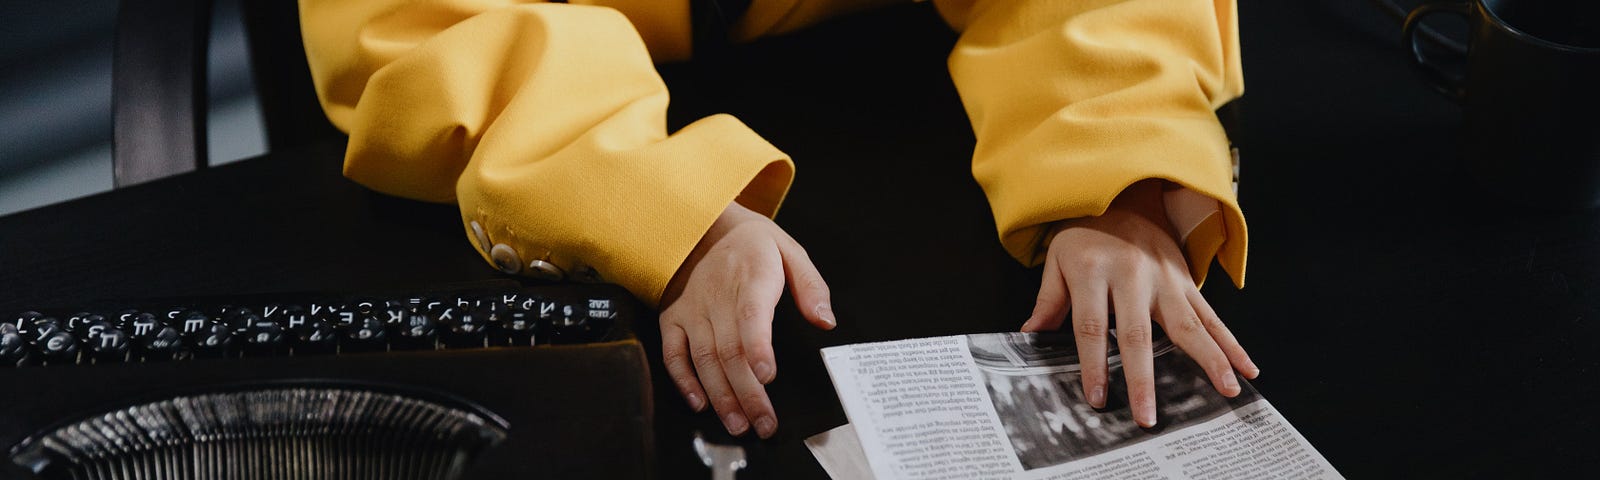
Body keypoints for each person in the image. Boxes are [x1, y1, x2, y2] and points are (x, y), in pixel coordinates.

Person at [300, 0, 1260, 440]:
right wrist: (666, 210)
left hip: (876, 103)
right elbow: (432, 28)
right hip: (564, 130)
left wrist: (1119, 180)